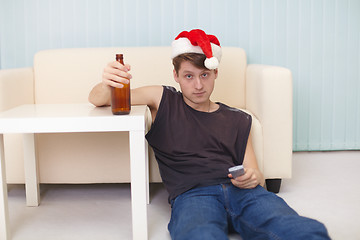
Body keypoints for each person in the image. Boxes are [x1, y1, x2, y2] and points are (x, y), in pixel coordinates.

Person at [89, 29, 330, 240]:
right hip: (193, 196)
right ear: (176, 76)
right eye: (189, 76)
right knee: (199, 235)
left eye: (204, 75)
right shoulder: (162, 99)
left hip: (244, 194)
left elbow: (257, 175)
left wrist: (252, 177)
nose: (198, 85)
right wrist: (108, 82)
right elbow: (98, 100)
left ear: (215, 74)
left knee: (300, 230)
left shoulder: (237, 118)